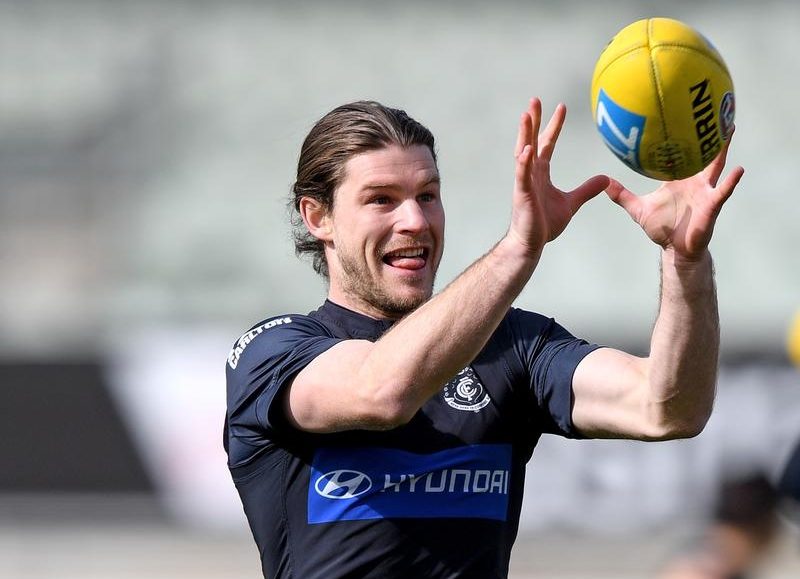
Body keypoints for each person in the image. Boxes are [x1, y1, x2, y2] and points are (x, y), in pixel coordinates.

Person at [224, 98, 744, 578]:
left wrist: (685, 261)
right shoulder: (273, 353)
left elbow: (667, 408)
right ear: (318, 217)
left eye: (427, 196)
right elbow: (381, 391)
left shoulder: (512, 344)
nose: (415, 220)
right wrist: (520, 248)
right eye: (381, 200)